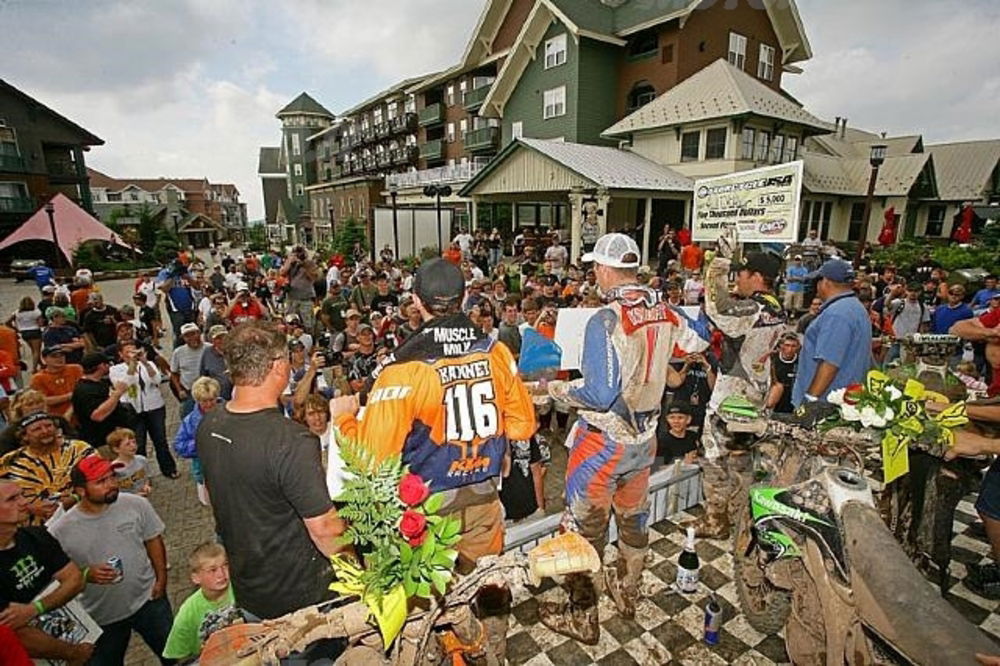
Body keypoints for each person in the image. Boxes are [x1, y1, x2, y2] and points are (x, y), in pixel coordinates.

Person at [330, 258, 536, 653]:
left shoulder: (403, 368)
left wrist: (344, 423)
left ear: (415, 302)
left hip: (422, 515)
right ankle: (490, 654)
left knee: (423, 606)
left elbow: (373, 461)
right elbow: (524, 426)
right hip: (483, 499)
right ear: (464, 298)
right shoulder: (495, 352)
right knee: (487, 589)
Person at [534, 234, 691, 643]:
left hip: (602, 444)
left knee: (584, 530)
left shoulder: (605, 318)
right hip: (645, 439)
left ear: (603, 269)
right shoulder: (667, 309)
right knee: (634, 521)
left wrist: (558, 392)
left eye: (594, 268)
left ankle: (583, 618)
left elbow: (600, 393)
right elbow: (699, 341)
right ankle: (627, 592)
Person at [197, 321, 347, 626]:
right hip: (305, 602)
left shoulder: (209, 425)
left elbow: (218, 500)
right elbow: (326, 531)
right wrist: (360, 575)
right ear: (278, 367)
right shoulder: (291, 440)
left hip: (251, 591)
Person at [691, 246, 786, 539]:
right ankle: (741, 520)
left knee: (716, 461)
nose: (737, 280)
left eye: (741, 274)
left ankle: (718, 523)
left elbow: (717, 307)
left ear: (757, 276)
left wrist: (718, 264)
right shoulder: (777, 309)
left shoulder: (753, 310)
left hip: (730, 401)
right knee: (742, 462)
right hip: (754, 397)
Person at [49, 455, 172, 665]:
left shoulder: (135, 504)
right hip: (102, 617)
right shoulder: (59, 531)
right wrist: (86, 575)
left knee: (174, 655)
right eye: (101, 482)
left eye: (112, 477)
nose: (111, 485)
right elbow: (56, 577)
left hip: (149, 600)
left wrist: (161, 579)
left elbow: (153, 540)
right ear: (80, 491)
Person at [0, 478, 92, 665]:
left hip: (80, 638)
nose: (25, 502)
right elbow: (15, 632)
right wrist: (72, 653)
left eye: (22, 495)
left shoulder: (36, 535)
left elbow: (75, 580)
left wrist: (34, 609)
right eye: (12, 499)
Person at [792, 259, 873, 406]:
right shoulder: (856, 308)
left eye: (818, 281)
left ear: (826, 282)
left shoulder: (837, 313)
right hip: (845, 398)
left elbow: (830, 363)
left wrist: (809, 401)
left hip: (826, 403)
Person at [0, 413, 93, 526]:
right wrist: (30, 507)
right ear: (24, 436)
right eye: (37, 429)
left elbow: (102, 480)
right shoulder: (9, 461)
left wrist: (74, 499)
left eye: (49, 426)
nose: (45, 431)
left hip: (83, 515)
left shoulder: (80, 449)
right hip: (33, 527)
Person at [109, 341, 178, 479]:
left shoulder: (148, 364)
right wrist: (132, 366)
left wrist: (145, 363)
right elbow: (122, 385)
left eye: (134, 351)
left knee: (160, 440)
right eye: (128, 352)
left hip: (154, 406)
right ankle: (141, 475)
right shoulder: (116, 370)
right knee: (137, 443)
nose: (132, 354)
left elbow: (157, 380)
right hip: (132, 409)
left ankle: (169, 469)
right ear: (121, 354)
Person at [162, 542, 238, 662]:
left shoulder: (241, 588)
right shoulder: (187, 613)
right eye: (212, 570)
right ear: (196, 578)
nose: (221, 574)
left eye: (225, 565)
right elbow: (180, 654)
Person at [71, 352, 134, 451]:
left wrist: (133, 364)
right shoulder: (85, 390)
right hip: (102, 442)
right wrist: (117, 394)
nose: (109, 366)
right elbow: (97, 415)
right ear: (101, 366)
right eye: (107, 364)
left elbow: (126, 380)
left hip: (115, 438)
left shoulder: (100, 383)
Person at [174, 377, 221, 508]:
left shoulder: (229, 411)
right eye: (204, 401)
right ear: (197, 400)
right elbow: (179, 446)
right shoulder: (190, 421)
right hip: (206, 471)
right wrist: (201, 443)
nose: (209, 404)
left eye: (212, 399)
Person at [30, 347, 83, 417]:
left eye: (62, 355)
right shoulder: (38, 378)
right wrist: (70, 396)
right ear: (45, 359)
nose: (59, 359)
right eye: (54, 356)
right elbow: (42, 400)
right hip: (56, 416)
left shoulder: (75, 369)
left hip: (81, 413)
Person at [170, 323, 205, 418]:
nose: (191, 338)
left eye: (193, 334)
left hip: (208, 391)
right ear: (183, 338)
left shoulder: (209, 348)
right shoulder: (178, 352)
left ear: (199, 333)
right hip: (189, 392)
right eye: (187, 336)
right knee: (188, 418)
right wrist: (179, 390)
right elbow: (173, 373)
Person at [280, 247, 318, 329]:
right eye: (296, 253)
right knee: (291, 321)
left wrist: (303, 265)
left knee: (307, 324)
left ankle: (309, 338)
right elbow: (282, 273)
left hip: (305, 298)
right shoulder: (290, 262)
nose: (298, 255)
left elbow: (314, 277)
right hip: (292, 298)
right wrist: (290, 262)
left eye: (300, 252)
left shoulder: (310, 263)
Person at [107, 427, 152, 497]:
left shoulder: (142, 460)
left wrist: (146, 486)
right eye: (127, 444)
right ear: (116, 449)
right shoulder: (113, 469)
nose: (133, 446)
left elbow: (147, 477)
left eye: (134, 442)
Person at [655, 403, 698, 468]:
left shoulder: (693, 437)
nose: (676, 421)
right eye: (672, 417)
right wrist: (683, 464)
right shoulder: (662, 441)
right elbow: (657, 468)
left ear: (688, 419)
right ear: (667, 419)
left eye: (680, 417)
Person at [767, 332, 801, 414]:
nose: (790, 349)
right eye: (787, 345)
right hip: (775, 397)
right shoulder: (772, 359)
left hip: (793, 398)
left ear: (798, 347)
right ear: (781, 345)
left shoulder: (802, 361)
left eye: (793, 346)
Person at [198, 325, 232, 400]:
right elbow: (203, 376)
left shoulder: (235, 350)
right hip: (217, 397)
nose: (222, 340)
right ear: (212, 340)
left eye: (224, 337)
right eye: (218, 338)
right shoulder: (207, 352)